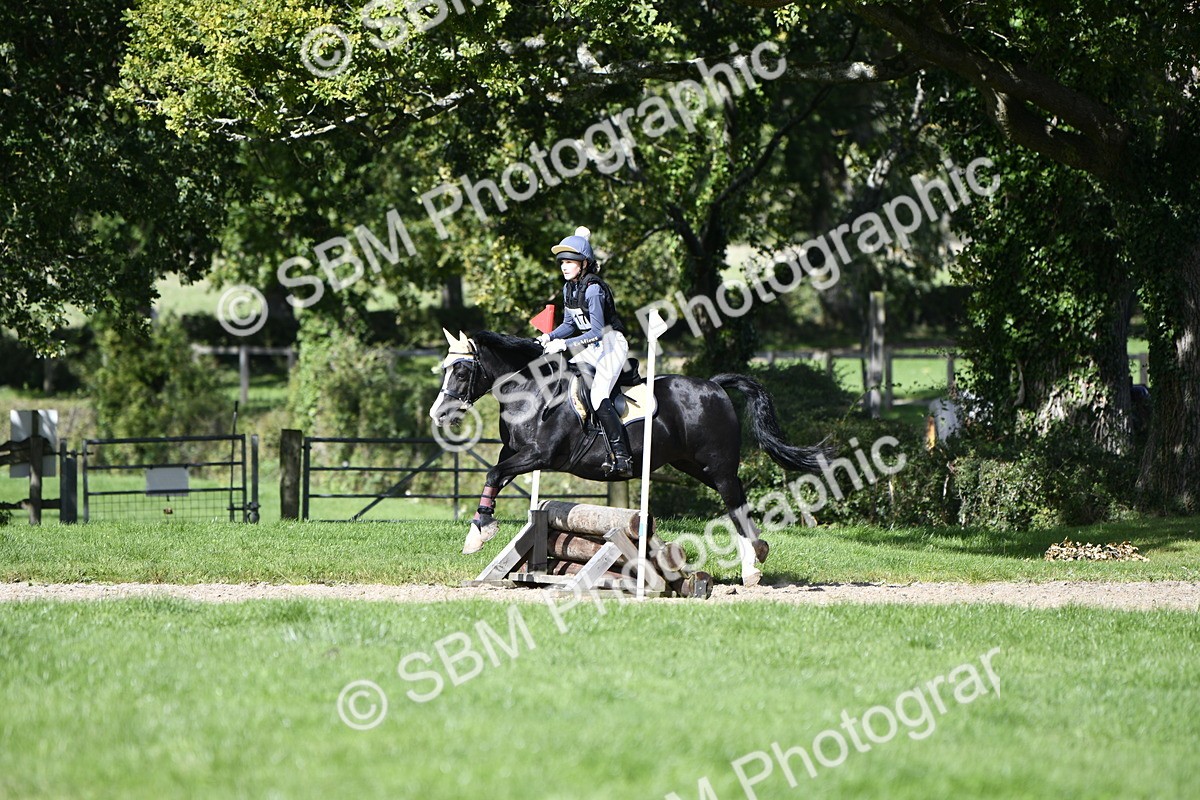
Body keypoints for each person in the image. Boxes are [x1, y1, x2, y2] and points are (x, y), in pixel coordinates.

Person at [537, 226, 633, 479]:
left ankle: (622, 456)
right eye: (562, 263)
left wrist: (565, 345)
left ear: (584, 263)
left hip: (611, 344)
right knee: (565, 380)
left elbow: (599, 331)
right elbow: (570, 325)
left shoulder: (593, 289)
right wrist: (550, 336)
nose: (564, 267)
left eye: (570, 262)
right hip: (592, 346)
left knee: (599, 392)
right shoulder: (569, 289)